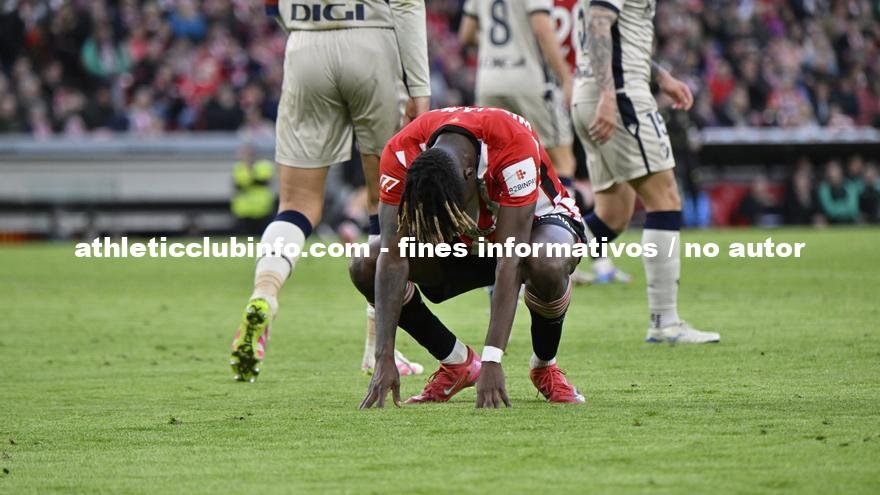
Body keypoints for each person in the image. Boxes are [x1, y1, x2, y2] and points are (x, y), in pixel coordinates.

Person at [228, 0, 431, 382]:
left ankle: (266, 293)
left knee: (297, 204)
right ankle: (378, 348)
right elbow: (406, 3)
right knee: (384, 204)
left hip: (306, 44)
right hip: (372, 42)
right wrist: (419, 86)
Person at [352, 106, 586, 409]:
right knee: (366, 262)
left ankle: (544, 367)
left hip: (534, 226)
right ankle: (457, 363)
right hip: (469, 239)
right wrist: (383, 357)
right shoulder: (400, 152)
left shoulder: (511, 141)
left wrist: (493, 358)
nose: (446, 215)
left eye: (450, 206)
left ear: (468, 173)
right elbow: (392, 256)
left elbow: (509, 257)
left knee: (546, 262)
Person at [570, 0, 719, 343]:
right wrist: (610, 95)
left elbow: (620, 33)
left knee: (613, 214)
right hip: (620, 97)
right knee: (665, 197)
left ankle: (530, 269)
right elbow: (598, 23)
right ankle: (664, 322)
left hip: (593, 92)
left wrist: (661, 76)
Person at [230, 144, 275, 235]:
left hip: (262, 205)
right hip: (244, 207)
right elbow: (237, 184)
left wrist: (249, 173)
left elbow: (264, 182)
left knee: (264, 233)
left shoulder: (264, 165)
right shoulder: (238, 167)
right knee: (245, 235)